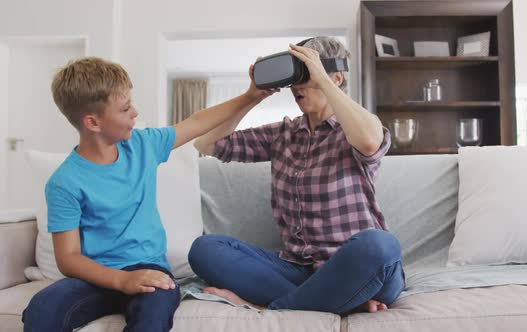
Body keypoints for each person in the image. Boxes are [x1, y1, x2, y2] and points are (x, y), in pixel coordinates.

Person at [21, 57, 277, 332]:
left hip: (148, 268)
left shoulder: (142, 145)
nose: (135, 112)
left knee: (154, 313)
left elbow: (197, 121)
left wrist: (250, 96)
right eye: (125, 108)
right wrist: (120, 281)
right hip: (96, 275)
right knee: (42, 310)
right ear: (93, 122)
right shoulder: (64, 183)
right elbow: (68, 258)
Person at [188, 36, 405, 314]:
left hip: (359, 267)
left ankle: (267, 307)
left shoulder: (356, 128)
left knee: (380, 245)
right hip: (297, 269)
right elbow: (206, 143)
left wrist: (323, 79)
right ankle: (339, 300)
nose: (295, 86)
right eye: (295, 77)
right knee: (206, 248)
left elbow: (368, 142)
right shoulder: (283, 134)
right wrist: (250, 96)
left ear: (336, 78)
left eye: (306, 74)